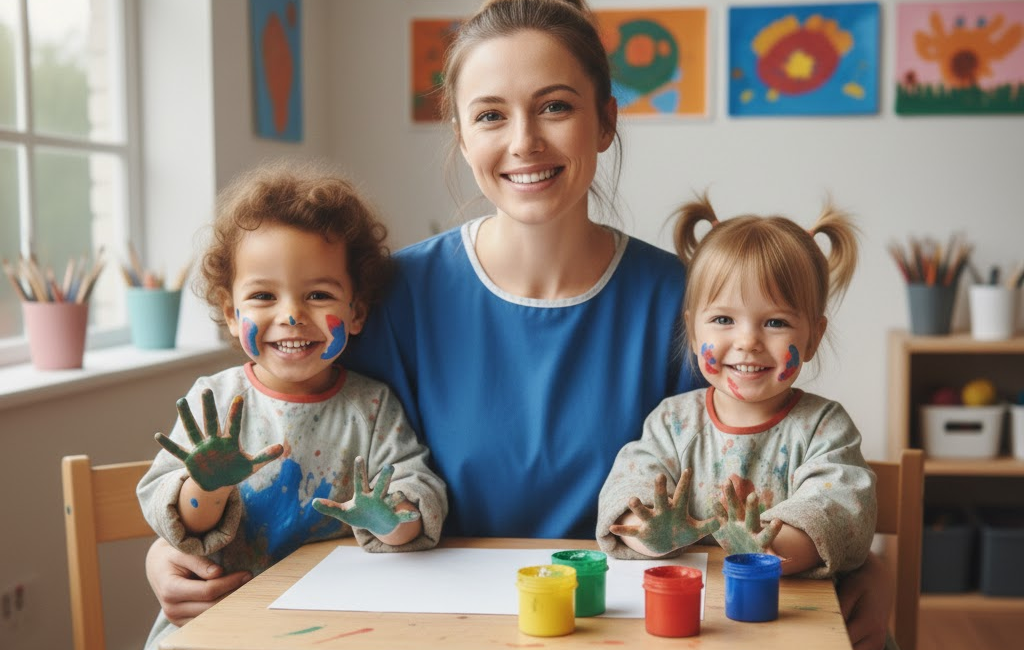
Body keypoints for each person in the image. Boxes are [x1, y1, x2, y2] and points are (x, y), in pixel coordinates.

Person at [143, 2, 894, 647]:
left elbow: (761, 466)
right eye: (491, 116)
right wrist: (167, 552)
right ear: (463, 137)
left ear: (605, 121)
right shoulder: (389, 296)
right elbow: (303, 451)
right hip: (431, 630)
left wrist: (868, 563)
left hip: (622, 630)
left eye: (556, 106)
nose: (524, 141)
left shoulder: (691, 305)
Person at [136, 160, 448, 649]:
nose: (291, 315)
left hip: (338, 628)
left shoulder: (370, 407)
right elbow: (181, 524)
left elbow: (416, 499)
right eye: (263, 295)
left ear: (357, 310)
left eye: (318, 294)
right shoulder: (213, 403)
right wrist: (206, 485)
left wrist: (388, 518)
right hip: (220, 628)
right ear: (231, 313)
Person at [597, 194, 876, 581]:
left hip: (794, 618)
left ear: (813, 337)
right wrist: (652, 535)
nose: (748, 341)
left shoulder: (825, 428)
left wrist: (765, 549)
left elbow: (840, 510)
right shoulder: (673, 423)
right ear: (694, 332)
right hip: (698, 614)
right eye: (724, 319)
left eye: (776, 322)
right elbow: (627, 487)